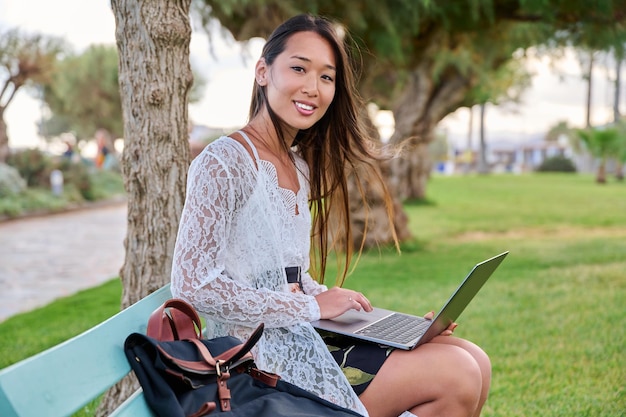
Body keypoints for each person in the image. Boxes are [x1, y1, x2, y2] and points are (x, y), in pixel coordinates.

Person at [171, 14, 491, 417]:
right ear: (263, 71)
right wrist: (313, 307)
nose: (313, 87)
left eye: (326, 77)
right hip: (253, 365)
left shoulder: (297, 166)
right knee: (457, 374)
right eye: (299, 68)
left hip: (300, 338)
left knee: (472, 357)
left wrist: (366, 315)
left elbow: (286, 279)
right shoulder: (224, 161)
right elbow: (193, 286)